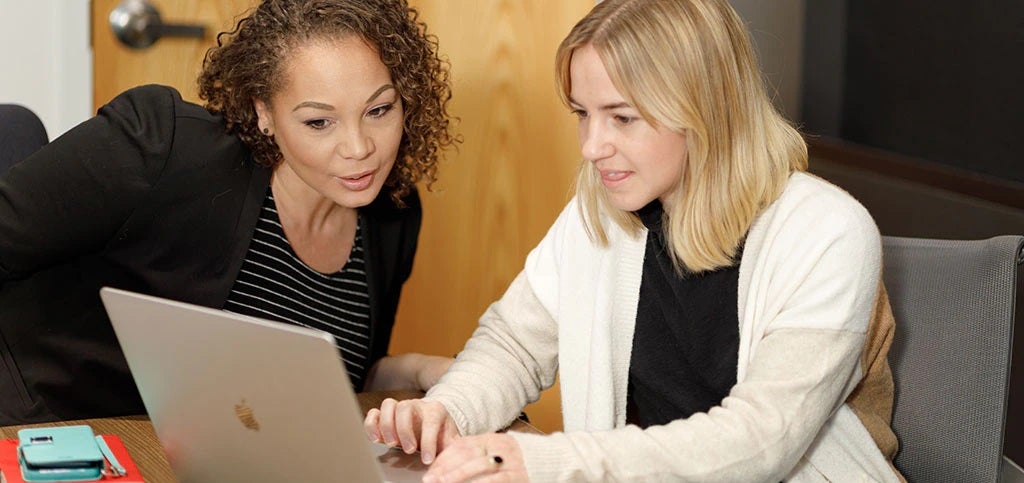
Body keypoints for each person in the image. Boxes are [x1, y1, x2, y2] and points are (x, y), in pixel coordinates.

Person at [364, 0, 905, 481]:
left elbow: (760, 442)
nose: (593, 147)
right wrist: (448, 410)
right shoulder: (600, 212)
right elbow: (515, 344)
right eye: (583, 114)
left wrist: (546, 463)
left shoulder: (827, 232)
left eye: (622, 117)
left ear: (706, 111)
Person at [0, 0, 458, 426]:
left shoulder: (391, 214)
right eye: (318, 122)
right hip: (48, 433)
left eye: (379, 109)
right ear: (264, 112)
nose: (360, 149)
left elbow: (334, 379)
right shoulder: (161, 148)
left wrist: (416, 369)